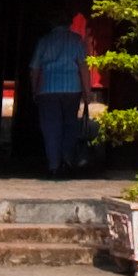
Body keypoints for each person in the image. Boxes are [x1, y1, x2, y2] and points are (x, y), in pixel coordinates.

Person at [28, 11, 92, 177]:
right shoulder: (76, 41)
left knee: (51, 127)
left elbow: (35, 68)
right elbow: (83, 67)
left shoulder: (44, 41)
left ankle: (54, 165)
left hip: (48, 88)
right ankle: (67, 159)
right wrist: (87, 90)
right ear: (69, 23)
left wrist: (34, 89)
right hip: (72, 88)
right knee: (70, 124)